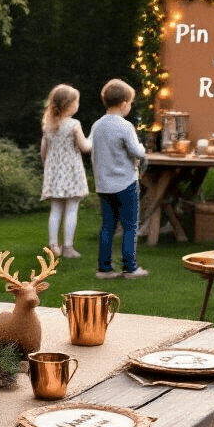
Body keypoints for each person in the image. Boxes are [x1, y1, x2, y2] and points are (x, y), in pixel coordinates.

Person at [90, 78, 148, 279]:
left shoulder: (97, 125)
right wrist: (143, 148)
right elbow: (136, 151)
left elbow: (93, 150)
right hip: (126, 183)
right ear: (124, 103)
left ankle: (104, 268)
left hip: (104, 185)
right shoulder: (125, 126)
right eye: (130, 103)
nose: (130, 107)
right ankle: (130, 267)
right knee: (130, 226)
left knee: (108, 226)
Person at [40, 84, 92, 259]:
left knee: (55, 209)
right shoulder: (74, 124)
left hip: (53, 173)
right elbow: (84, 147)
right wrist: (92, 138)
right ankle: (68, 248)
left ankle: (53, 247)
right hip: (71, 173)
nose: (78, 104)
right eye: (76, 101)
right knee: (71, 208)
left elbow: (43, 152)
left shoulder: (48, 125)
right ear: (69, 105)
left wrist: (50, 167)